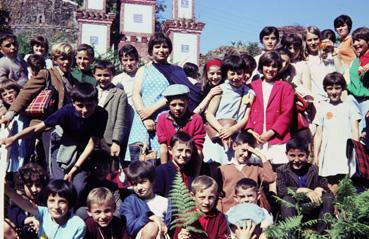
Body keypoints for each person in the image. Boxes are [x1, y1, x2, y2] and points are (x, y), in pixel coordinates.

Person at [0, 83, 108, 199]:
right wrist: (13, 138)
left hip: (83, 150)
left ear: (96, 102)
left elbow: (92, 144)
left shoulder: (101, 114)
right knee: (58, 184)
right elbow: (37, 127)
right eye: (80, 105)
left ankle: (70, 212)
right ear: (73, 102)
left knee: (78, 187)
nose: (84, 110)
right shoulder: (66, 111)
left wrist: (74, 169)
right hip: (61, 145)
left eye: (89, 105)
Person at [203, 55, 255, 164]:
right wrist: (222, 131)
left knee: (232, 167)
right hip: (217, 134)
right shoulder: (220, 90)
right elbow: (209, 114)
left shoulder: (249, 93)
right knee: (216, 166)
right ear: (226, 73)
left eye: (239, 73)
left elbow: (246, 116)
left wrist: (232, 129)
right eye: (232, 73)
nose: (236, 77)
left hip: (235, 136)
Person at [246, 51, 294, 167]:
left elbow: (287, 114)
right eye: (267, 65)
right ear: (261, 67)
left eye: (274, 66)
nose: (270, 69)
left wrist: (271, 132)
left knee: (277, 170)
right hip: (256, 136)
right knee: (256, 170)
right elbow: (246, 111)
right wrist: (250, 130)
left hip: (277, 137)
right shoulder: (251, 86)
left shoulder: (285, 87)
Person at [313, 72, 360, 192]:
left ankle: (344, 209)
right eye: (330, 88)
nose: (334, 92)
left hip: (346, 152)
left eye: (337, 88)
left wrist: (356, 152)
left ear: (343, 88)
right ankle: (333, 209)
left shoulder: (350, 107)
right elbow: (318, 135)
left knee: (346, 184)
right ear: (325, 89)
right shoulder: (322, 108)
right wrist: (316, 155)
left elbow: (355, 131)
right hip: (329, 153)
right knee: (331, 185)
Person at [277, 137, 334, 234]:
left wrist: (319, 189)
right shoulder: (282, 170)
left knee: (328, 198)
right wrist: (304, 190)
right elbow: (281, 190)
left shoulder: (314, 169)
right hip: (294, 208)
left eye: (301, 155)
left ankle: (322, 232)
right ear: (286, 155)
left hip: (312, 206)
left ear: (307, 155)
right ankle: (291, 234)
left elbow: (324, 184)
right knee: (286, 199)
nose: (296, 159)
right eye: (292, 155)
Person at [5, 179, 86, 238]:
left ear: (70, 203)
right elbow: (27, 205)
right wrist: (7, 190)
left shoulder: (78, 225)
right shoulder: (44, 213)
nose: (56, 206)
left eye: (62, 201)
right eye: (51, 201)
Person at [217, 132, 275, 213]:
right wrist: (220, 213)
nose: (246, 155)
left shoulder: (255, 168)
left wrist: (261, 156)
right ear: (234, 146)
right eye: (244, 150)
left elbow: (270, 178)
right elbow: (218, 195)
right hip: (229, 212)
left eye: (250, 152)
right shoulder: (223, 169)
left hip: (252, 211)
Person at [157, 84, 205, 166]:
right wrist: (165, 171)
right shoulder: (162, 119)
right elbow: (163, 148)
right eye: (173, 105)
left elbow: (198, 150)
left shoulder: (196, 119)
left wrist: (196, 175)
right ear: (168, 104)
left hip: (190, 163)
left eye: (181, 104)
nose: (178, 108)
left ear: (188, 102)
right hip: (170, 163)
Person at [120, 160, 171, 238]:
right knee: (152, 227)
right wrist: (149, 217)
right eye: (135, 184)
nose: (139, 187)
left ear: (152, 181)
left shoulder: (165, 202)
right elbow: (130, 228)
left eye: (142, 182)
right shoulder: (130, 202)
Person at [94, 59, 128, 164]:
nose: (102, 78)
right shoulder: (91, 91)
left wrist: (116, 142)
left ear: (113, 75)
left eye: (106, 75)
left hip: (108, 140)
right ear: (94, 75)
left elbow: (120, 120)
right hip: (91, 138)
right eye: (99, 75)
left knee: (108, 169)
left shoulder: (119, 94)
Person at [7, 163, 49, 239]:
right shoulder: (20, 199)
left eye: (38, 185)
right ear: (23, 186)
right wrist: (28, 219)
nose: (34, 190)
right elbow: (13, 214)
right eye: (29, 186)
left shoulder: (46, 200)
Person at [0, 80, 32, 172]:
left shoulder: (26, 108)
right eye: (4, 94)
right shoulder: (5, 113)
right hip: (11, 150)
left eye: (11, 92)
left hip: (25, 145)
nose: (8, 96)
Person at [154, 131, 197, 197]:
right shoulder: (161, 171)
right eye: (180, 150)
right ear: (170, 150)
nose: (184, 155)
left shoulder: (191, 172)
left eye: (188, 151)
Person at [303, 26, 336, 102]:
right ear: (305, 42)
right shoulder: (305, 60)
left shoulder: (329, 55)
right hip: (316, 101)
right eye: (309, 40)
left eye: (315, 39)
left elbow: (340, 72)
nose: (313, 43)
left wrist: (333, 52)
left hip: (333, 98)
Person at [112, 44, 139, 138]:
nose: (129, 63)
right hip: (123, 121)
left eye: (131, 59)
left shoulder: (143, 76)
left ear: (137, 60)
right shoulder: (117, 80)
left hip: (139, 120)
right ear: (121, 62)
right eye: (125, 60)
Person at [347, 27, 369, 130]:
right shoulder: (357, 59)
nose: (355, 44)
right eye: (354, 41)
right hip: (353, 100)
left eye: (359, 40)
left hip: (366, 101)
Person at [280, 33, 312, 98]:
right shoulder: (278, 62)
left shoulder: (303, 65)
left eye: (295, 48)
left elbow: (307, 89)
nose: (292, 51)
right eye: (290, 48)